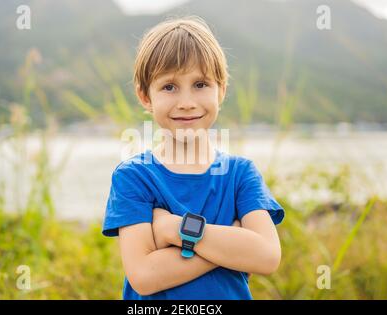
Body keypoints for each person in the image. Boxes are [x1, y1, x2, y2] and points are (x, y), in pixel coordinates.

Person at [102, 16, 285, 300]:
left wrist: (175, 229)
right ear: (145, 97)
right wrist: (231, 246)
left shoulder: (240, 174)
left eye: (200, 84)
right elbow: (145, 277)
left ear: (221, 90)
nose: (186, 102)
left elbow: (267, 257)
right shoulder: (134, 177)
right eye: (169, 87)